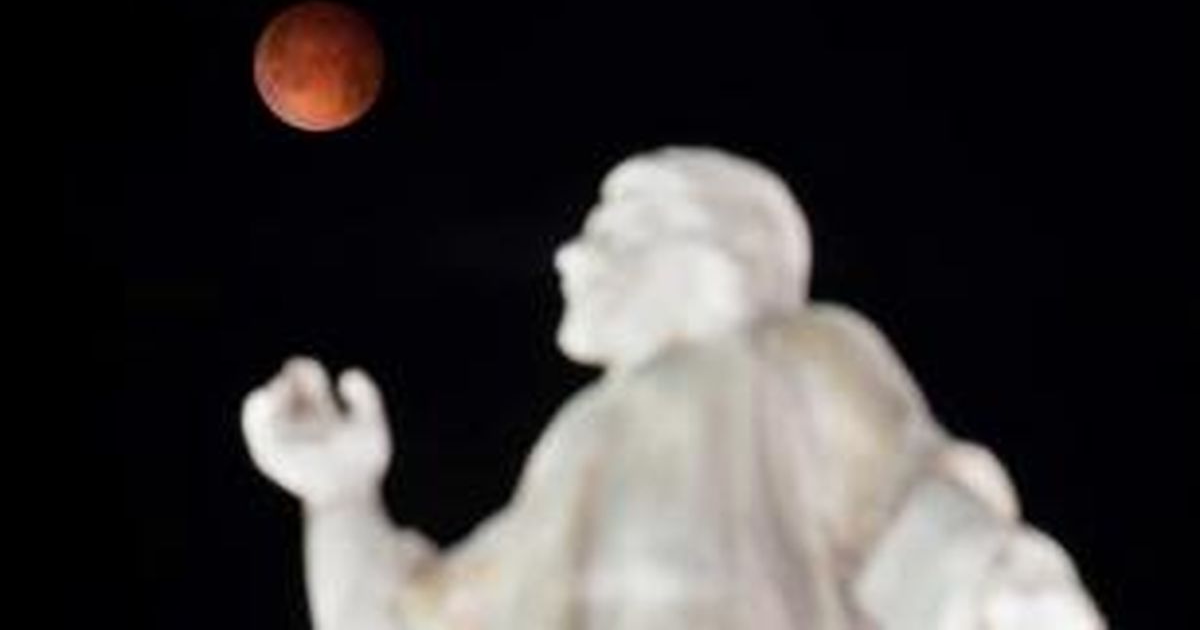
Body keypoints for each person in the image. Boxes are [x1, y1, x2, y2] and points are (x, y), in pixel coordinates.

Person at [242, 147, 1106, 630]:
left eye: (616, 233)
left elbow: (905, 510)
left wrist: (1003, 590)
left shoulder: (786, 356)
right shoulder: (580, 440)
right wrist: (341, 497)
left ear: (715, 250)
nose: (572, 258)